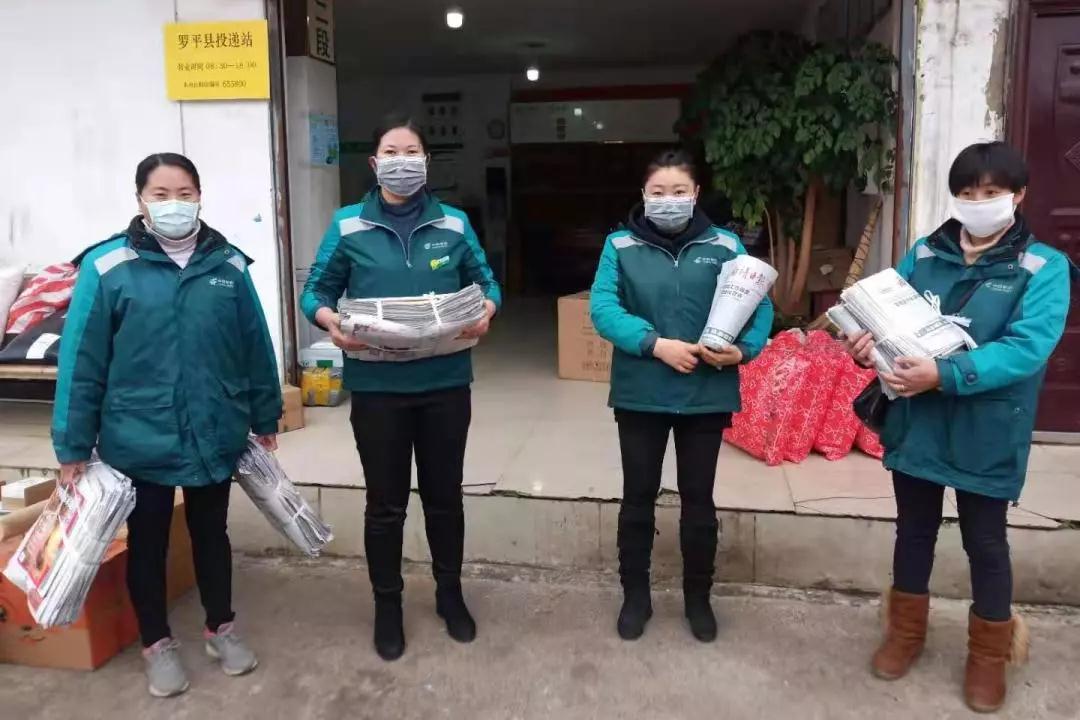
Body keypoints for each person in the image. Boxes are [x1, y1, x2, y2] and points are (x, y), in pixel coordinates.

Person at [843, 141, 1077, 713]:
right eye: (967, 193)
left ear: (1018, 196)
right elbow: (883, 312)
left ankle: (989, 656)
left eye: (991, 192)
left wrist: (946, 375)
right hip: (917, 418)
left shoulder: (1043, 267)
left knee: (985, 541)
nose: (978, 202)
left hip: (987, 425)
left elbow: (1027, 348)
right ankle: (905, 633)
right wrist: (864, 345)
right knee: (914, 530)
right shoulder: (925, 253)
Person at [52, 153, 282, 697]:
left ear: (200, 197)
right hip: (140, 434)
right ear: (140, 200)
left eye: (184, 193)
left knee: (212, 534)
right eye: (160, 194)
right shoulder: (107, 266)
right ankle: (156, 643)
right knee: (148, 541)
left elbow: (254, 344)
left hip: (214, 428)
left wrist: (265, 413)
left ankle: (221, 627)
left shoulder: (228, 264)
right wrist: (73, 444)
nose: (173, 204)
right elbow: (82, 361)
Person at [301, 113, 501, 662]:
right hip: (378, 388)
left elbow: (486, 282)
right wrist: (329, 321)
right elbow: (316, 290)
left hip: (444, 383)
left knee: (444, 498)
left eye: (411, 152)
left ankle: (449, 595)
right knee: (385, 505)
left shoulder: (455, 224)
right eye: (391, 152)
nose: (402, 162)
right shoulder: (348, 225)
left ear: (426, 161)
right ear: (374, 163)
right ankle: (387, 605)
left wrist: (486, 310)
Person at [589, 149, 773, 643]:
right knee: (637, 497)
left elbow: (758, 305)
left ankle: (698, 598)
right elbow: (603, 308)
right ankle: (636, 596)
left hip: (704, 392)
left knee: (698, 500)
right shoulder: (619, 245)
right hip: (641, 392)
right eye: (658, 192)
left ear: (695, 194)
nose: (668, 200)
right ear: (643, 195)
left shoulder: (725, 244)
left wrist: (743, 350)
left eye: (678, 191)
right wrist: (656, 345)